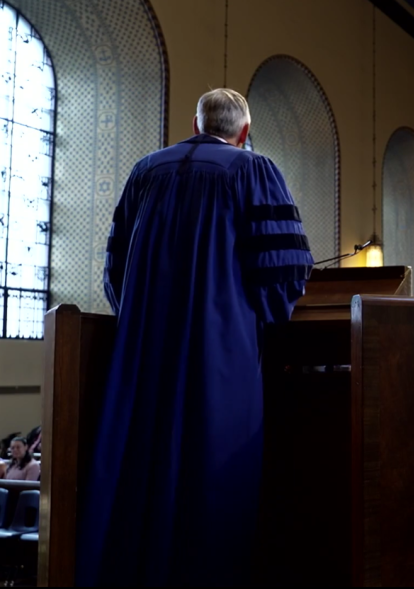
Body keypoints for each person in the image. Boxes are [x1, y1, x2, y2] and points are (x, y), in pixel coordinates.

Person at [75, 89, 314, 587]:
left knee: (139, 469)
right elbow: (284, 267)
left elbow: (114, 269)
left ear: (195, 124)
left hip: (140, 357)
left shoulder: (145, 171)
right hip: (218, 351)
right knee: (211, 473)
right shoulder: (253, 169)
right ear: (244, 132)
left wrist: (144, 321)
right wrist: (260, 323)